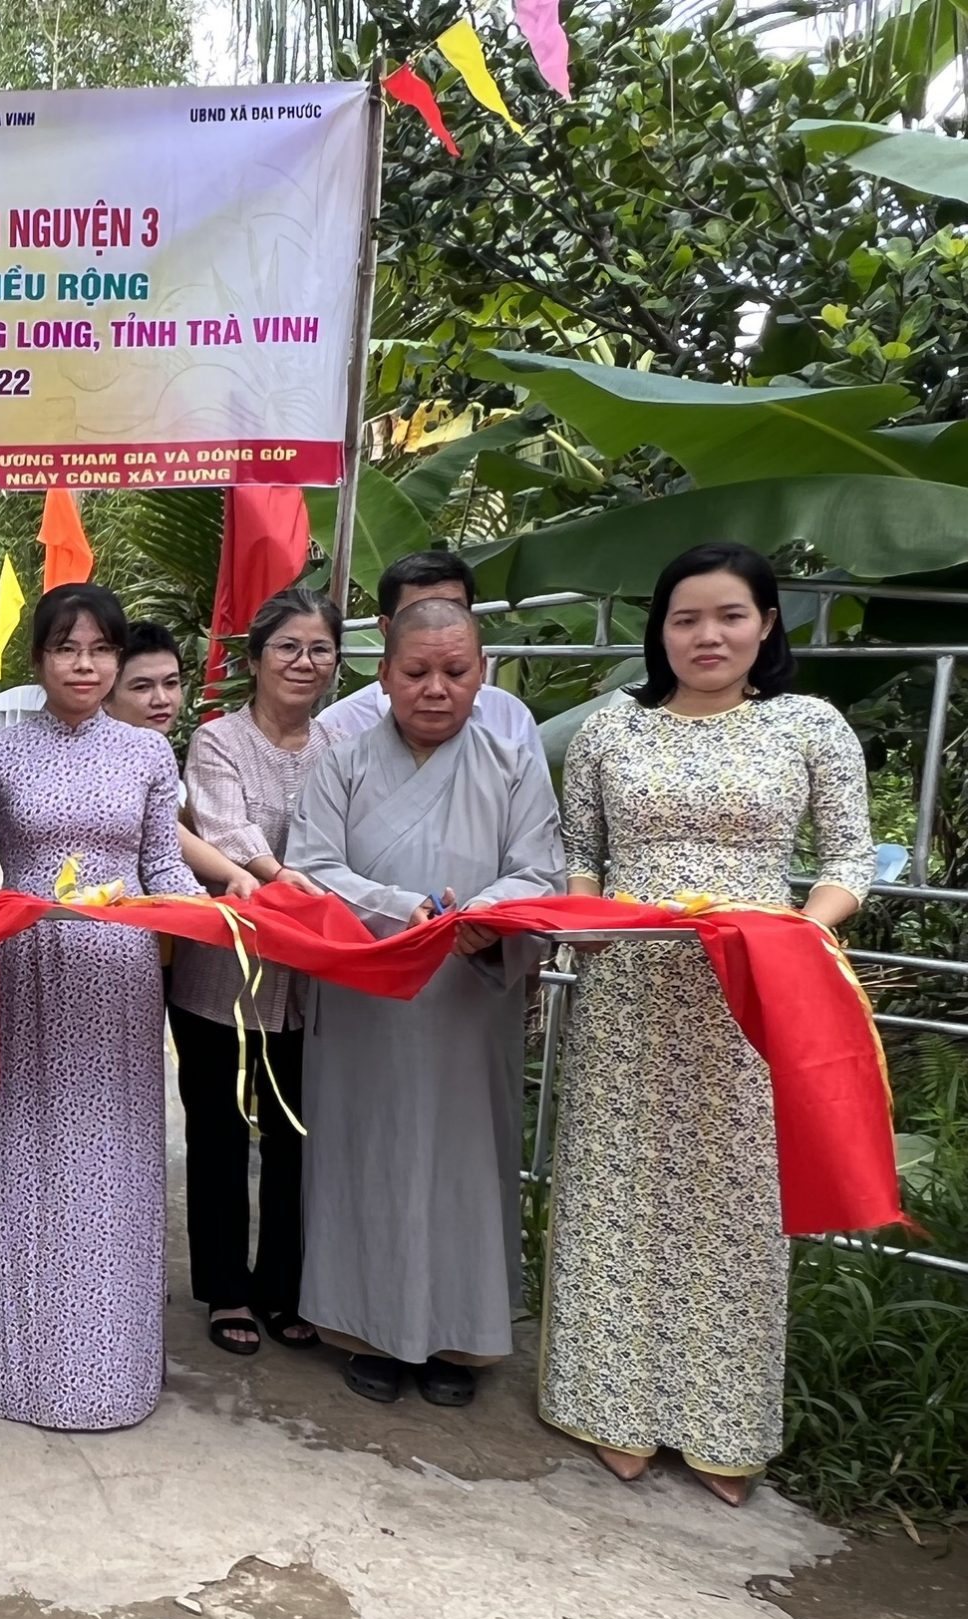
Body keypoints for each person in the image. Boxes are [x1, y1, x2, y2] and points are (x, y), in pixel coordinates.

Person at [541, 543, 872, 1505]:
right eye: (685, 619)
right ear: (662, 631)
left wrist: (806, 934)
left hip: (755, 996)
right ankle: (611, 1410)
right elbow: (582, 854)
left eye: (730, 616)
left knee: (734, 1207)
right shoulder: (614, 729)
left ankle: (721, 1428)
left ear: (766, 624)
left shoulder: (808, 726)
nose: (707, 636)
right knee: (617, 1193)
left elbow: (849, 860)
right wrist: (586, 924)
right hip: (630, 991)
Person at [285, 598, 566, 1406]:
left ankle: (457, 1338)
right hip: (367, 997)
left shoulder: (513, 764)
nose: (435, 688)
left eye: (454, 670)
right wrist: (397, 909)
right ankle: (365, 1329)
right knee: (363, 1153)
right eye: (415, 671)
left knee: (462, 1166)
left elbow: (541, 872)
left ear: (482, 674)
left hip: (468, 1000)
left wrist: (485, 917)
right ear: (383, 676)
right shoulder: (342, 763)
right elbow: (311, 868)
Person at [0, 585, 199, 1429]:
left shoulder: (148, 756)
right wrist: (1, 901)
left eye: (100, 649)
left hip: (119, 973)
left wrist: (215, 910)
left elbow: (164, 867)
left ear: (118, 660)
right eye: (67, 648)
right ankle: (18, 1369)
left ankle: (112, 1370)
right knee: (29, 1148)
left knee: (114, 1154)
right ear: (39, 660)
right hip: (30, 962)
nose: (84, 665)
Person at [170, 588, 340, 1358]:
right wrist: (277, 875)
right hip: (222, 979)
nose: (305, 662)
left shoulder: (340, 748)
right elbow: (223, 828)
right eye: (288, 648)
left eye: (320, 649)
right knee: (219, 1133)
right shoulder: (219, 740)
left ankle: (283, 1286)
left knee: (296, 1137)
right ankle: (225, 1290)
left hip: (311, 982)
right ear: (256, 659)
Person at [313, 551, 544, 761]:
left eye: (453, 610)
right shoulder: (340, 725)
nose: (436, 690)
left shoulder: (508, 716)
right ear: (387, 628)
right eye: (419, 614)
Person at [102, 620, 265, 898]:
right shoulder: (102, 765)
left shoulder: (159, 760)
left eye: (171, 683)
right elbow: (168, 830)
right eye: (141, 687)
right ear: (104, 695)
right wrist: (235, 874)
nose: (161, 699)